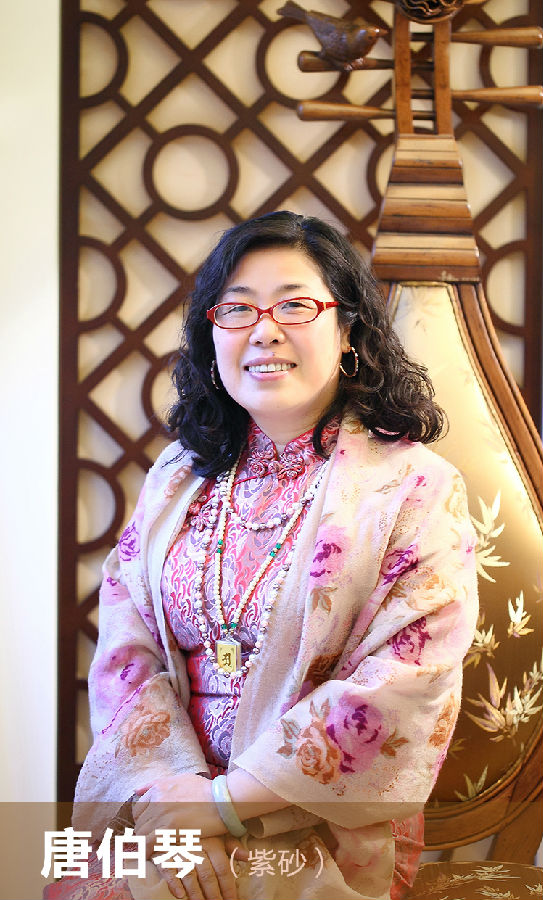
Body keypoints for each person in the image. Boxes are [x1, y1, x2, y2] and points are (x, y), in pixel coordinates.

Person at [48, 211, 478, 900]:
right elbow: (127, 657)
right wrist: (176, 801)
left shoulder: (414, 487)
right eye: (238, 308)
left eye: (295, 305)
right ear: (212, 335)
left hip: (315, 822)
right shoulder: (175, 480)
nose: (264, 330)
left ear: (348, 332)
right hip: (170, 804)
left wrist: (224, 806)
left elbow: (406, 683)